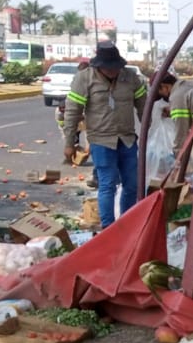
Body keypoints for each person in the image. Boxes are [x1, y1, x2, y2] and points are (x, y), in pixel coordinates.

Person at [62, 42, 147, 228]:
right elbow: (72, 113)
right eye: (107, 68)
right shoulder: (84, 79)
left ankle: (127, 224)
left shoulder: (131, 78)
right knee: (107, 184)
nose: (112, 71)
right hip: (101, 141)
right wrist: (69, 143)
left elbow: (143, 107)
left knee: (132, 184)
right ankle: (109, 228)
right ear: (98, 65)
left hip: (127, 139)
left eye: (115, 67)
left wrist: (150, 133)